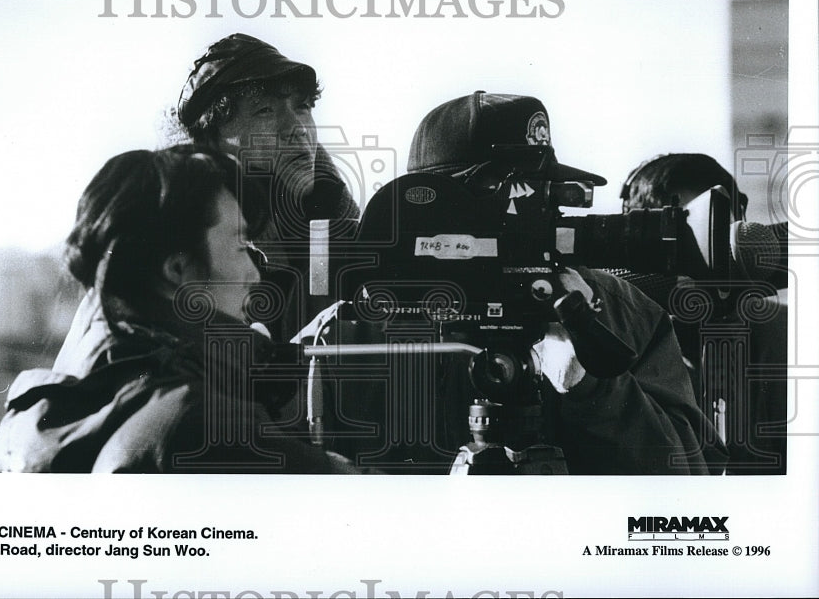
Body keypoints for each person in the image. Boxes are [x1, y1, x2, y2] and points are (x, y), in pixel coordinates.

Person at [395, 92, 725, 474]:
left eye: (544, 194)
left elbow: (688, 481)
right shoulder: (364, 324)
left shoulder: (621, 311)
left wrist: (595, 388)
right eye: (503, 198)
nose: (529, 218)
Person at [0, 146, 360, 473]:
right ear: (177, 270)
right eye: (240, 245)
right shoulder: (204, 429)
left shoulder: (61, 406)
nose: (254, 272)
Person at [176, 33, 359, 342]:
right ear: (210, 139)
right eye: (265, 111)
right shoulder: (177, 239)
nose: (296, 128)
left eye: (302, 106)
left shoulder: (336, 217)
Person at [620, 152, 787, 475]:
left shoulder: (782, 338)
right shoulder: (614, 345)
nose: (707, 263)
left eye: (718, 236)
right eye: (685, 240)